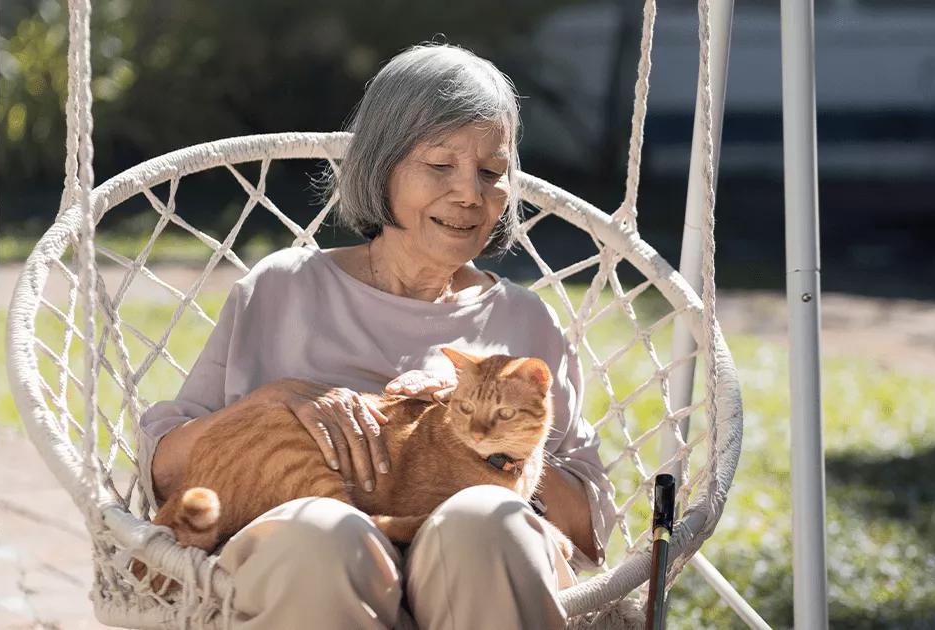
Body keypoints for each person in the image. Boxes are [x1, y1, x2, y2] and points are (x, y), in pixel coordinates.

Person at [137, 43, 617, 630]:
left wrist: (474, 445)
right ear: (382, 166)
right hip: (303, 563)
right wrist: (269, 400)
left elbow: (590, 526)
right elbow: (164, 470)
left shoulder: (523, 322)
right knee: (320, 534)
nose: (471, 193)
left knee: (487, 522)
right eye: (440, 165)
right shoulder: (283, 287)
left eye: (491, 172)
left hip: (472, 578)